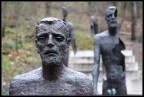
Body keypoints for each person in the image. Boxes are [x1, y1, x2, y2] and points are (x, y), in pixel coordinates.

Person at [9, 17, 93, 95]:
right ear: (37, 45)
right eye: (43, 38)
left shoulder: (82, 85)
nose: (50, 43)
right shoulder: (19, 86)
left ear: (67, 45)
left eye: (58, 38)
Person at [92, 6, 127, 95]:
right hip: (108, 83)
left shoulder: (122, 38)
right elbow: (96, 63)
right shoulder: (99, 39)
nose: (112, 18)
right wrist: (94, 87)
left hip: (121, 84)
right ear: (106, 19)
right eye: (109, 16)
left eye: (114, 15)